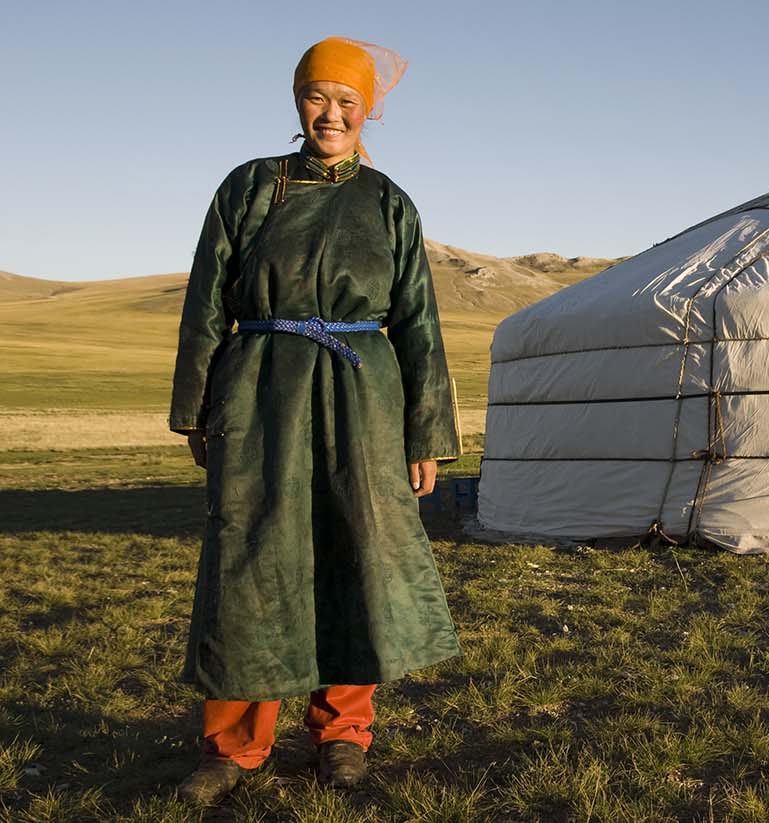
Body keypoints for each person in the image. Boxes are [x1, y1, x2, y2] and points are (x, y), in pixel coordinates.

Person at [167, 36, 461, 806]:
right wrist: (195, 406)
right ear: (298, 102)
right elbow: (205, 301)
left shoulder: (389, 202)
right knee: (251, 561)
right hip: (260, 389)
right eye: (316, 96)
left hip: (363, 396)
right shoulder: (250, 188)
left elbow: (420, 322)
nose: (331, 114)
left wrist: (427, 430)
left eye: (347, 100)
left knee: (354, 553)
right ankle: (234, 745)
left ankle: (342, 736)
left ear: (370, 109)